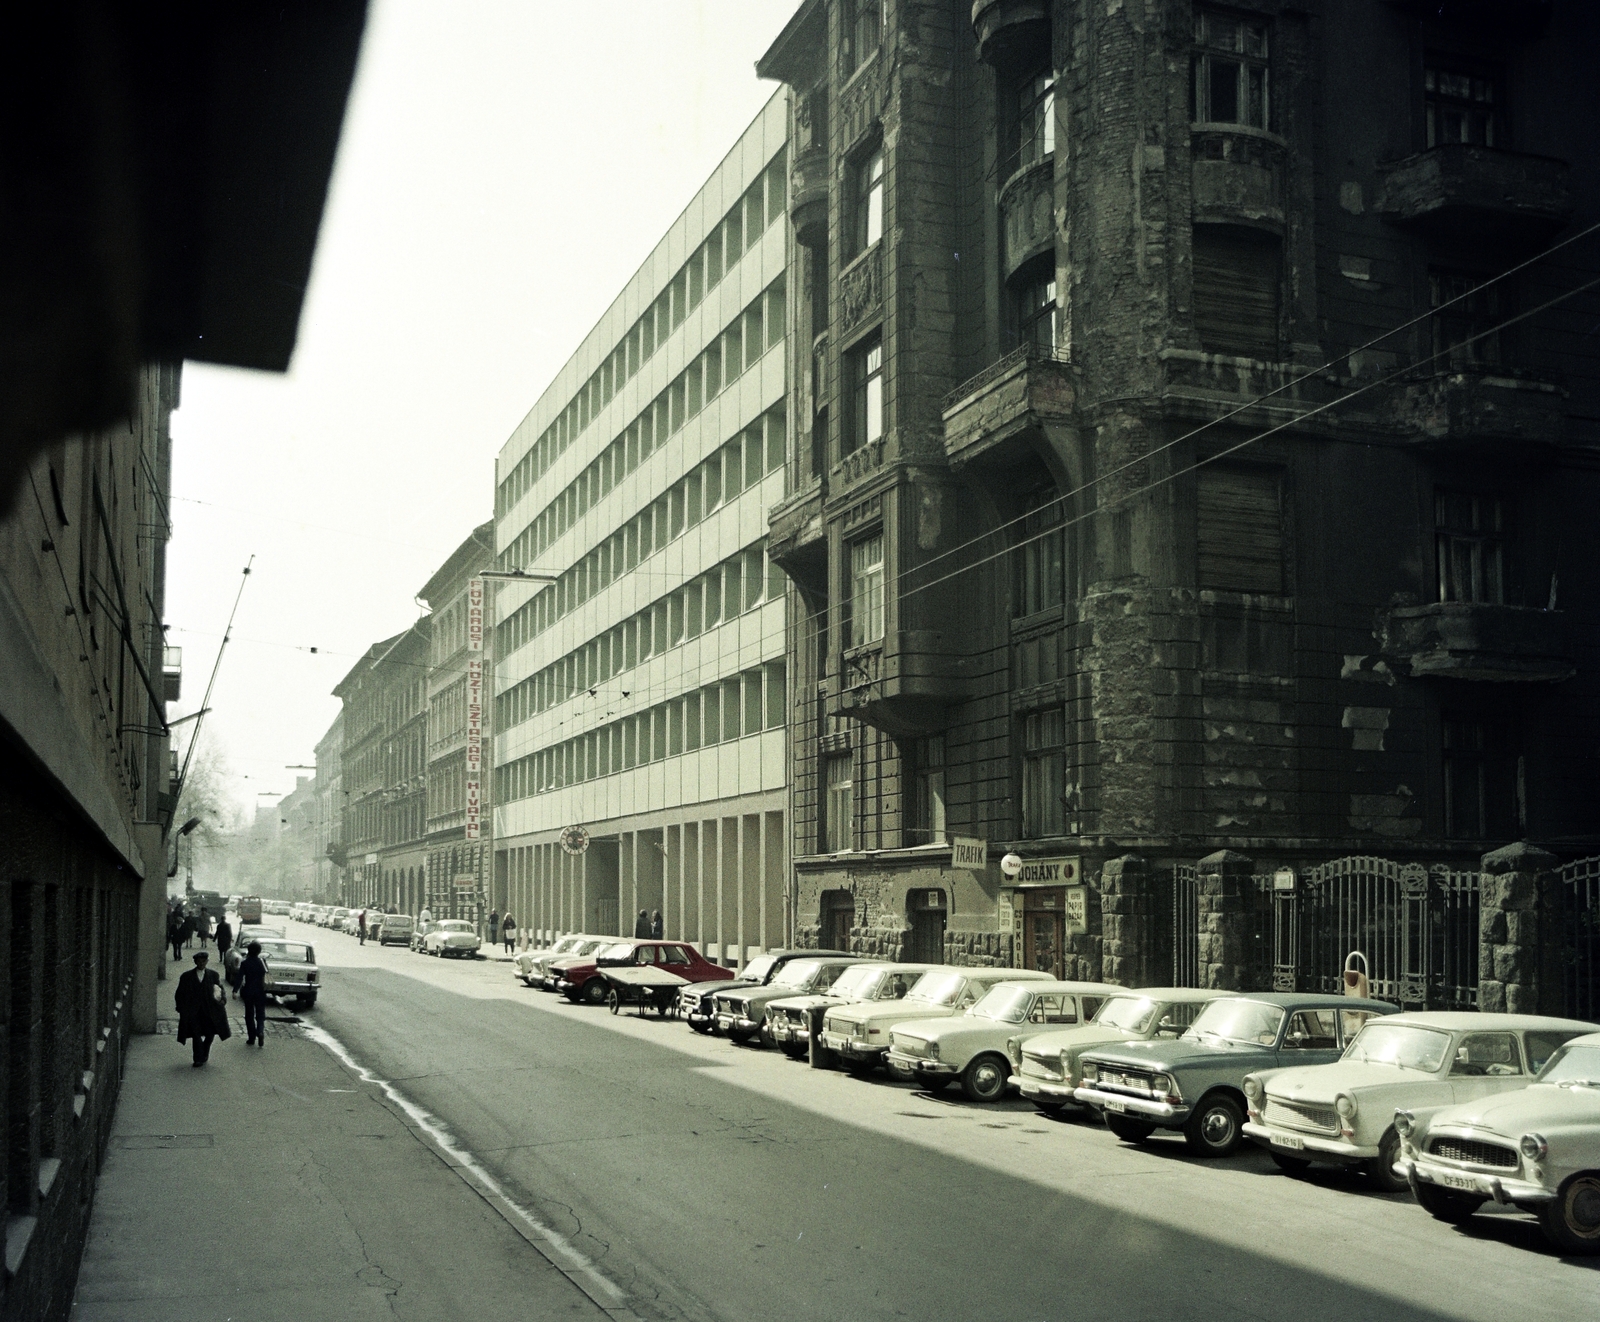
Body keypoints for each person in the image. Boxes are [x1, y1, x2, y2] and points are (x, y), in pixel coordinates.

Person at [175, 951, 230, 1066]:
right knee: (196, 1034)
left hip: (209, 1011)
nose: (201, 963)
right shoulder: (186, 976)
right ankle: (198, 1058)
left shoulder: (213, 975)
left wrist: (223, 999)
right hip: (193, 1012)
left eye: (203, 961)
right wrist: (180, 1007)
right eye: (199, 961)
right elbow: (179, 993)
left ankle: (205, 1052)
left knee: (210, 1034)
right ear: (195, 962)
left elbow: (219, 989)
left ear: (207, 962)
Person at [237, 941, 269, 1046]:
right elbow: (266, 974)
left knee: (249, 1015)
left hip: (249, 991)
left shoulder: (245, 963)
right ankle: (260, 1031)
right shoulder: (262, 962)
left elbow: (240, 977)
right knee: (260, 1013)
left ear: (248, 951)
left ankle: (251, 1038)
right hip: (260, 991)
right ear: (259, 951)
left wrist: (235, 990)